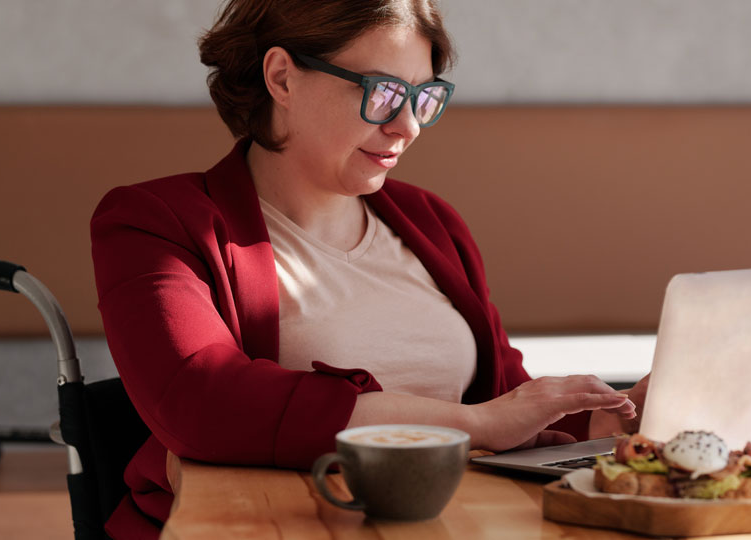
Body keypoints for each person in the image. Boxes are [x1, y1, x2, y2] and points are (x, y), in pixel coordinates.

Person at [91, 0, 649, 537]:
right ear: (282, 78)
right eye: (384, 93)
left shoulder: (431, 220)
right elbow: (200, 402)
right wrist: (474, 427)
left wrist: (600, 425)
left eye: (424, 97)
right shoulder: (154, 222)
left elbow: (508, 404)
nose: (408, 126)